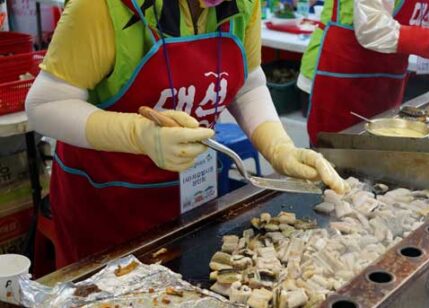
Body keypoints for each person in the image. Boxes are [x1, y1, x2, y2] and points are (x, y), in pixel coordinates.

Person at [25, 0, 347, 267]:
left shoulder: (245, 4)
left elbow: (247, 81)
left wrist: (280, 149)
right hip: (107, 211)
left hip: (192, 205)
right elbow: (44, 105)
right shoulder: (101, 7)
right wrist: (139, 135)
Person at [296, 0, 429, 144]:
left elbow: (421, 22)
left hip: (382, 80)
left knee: (372, 151)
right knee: (333, 158)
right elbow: (373, 29)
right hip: (337, 74)